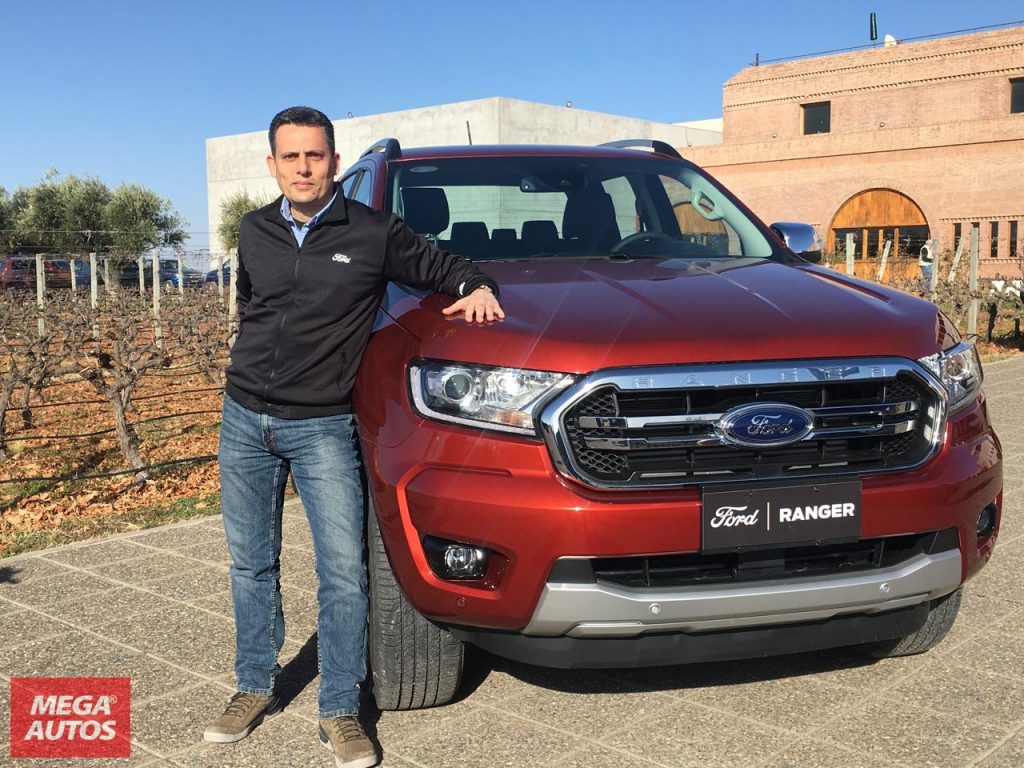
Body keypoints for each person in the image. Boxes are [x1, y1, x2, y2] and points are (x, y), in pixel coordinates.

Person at [203, 106, 503, 768]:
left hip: (323, 425)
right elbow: (254, 307)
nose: (303, 168)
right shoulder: (254, 232)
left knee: (343, 572)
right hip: (244, 419)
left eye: (315, 156)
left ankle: (339, 707)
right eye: (291, 157)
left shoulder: (373, 231)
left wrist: (476, 283)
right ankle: (254, 685)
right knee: (250, 564)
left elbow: (439, 265)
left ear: (334, 163)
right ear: (272, 164)